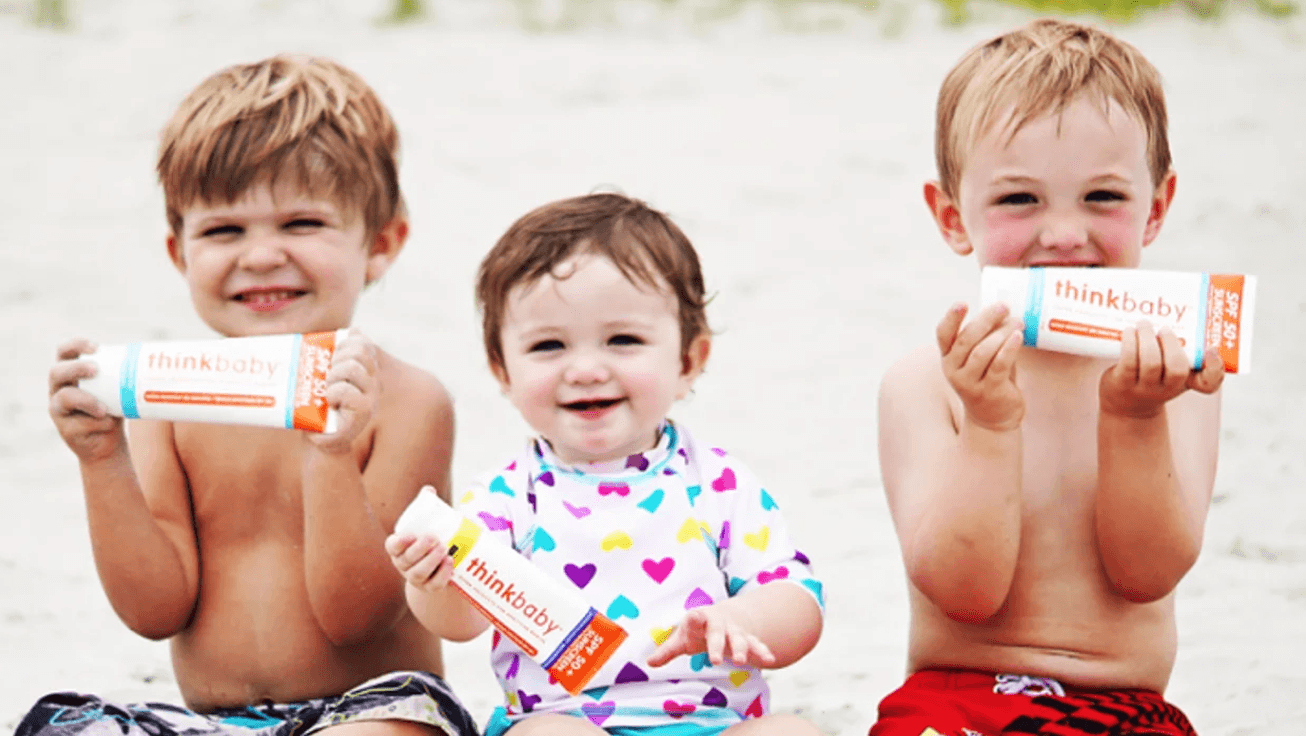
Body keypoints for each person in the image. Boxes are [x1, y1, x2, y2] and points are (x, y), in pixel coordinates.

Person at [27, 55, 478, 736]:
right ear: (180, 254)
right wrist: (101, 460)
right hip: (213, 722)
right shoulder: (166, 402)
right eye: (223, 231)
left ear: (381, 244)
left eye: (302, 224)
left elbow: (355, 616)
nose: (262, 255)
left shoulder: (409, 400)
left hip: (375, 708)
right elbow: (155, 611)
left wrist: (329, 452)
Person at [871, 18, 1226, 736]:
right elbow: (964, 593)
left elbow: (1148, 573)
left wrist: (1134, 419)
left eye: (1102, 198)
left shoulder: (1176, 373)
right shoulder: (926, 383)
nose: (1064, 233)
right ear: (951, 216)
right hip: (959, 698)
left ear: (1155, 208)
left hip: (1124, 707)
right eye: (1018, 199)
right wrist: (991, 424)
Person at [387, 192, 826, 736]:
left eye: (623, 340)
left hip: (713, 723)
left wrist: (748, 618)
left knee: (795, 731)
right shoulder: (505, 496)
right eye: (549, 346)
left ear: (690, 360)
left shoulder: (717, 482)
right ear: (503, 370)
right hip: (563, 721)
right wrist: (434, 584)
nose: (588, 369)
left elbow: (799, 601)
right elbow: (464, 623)